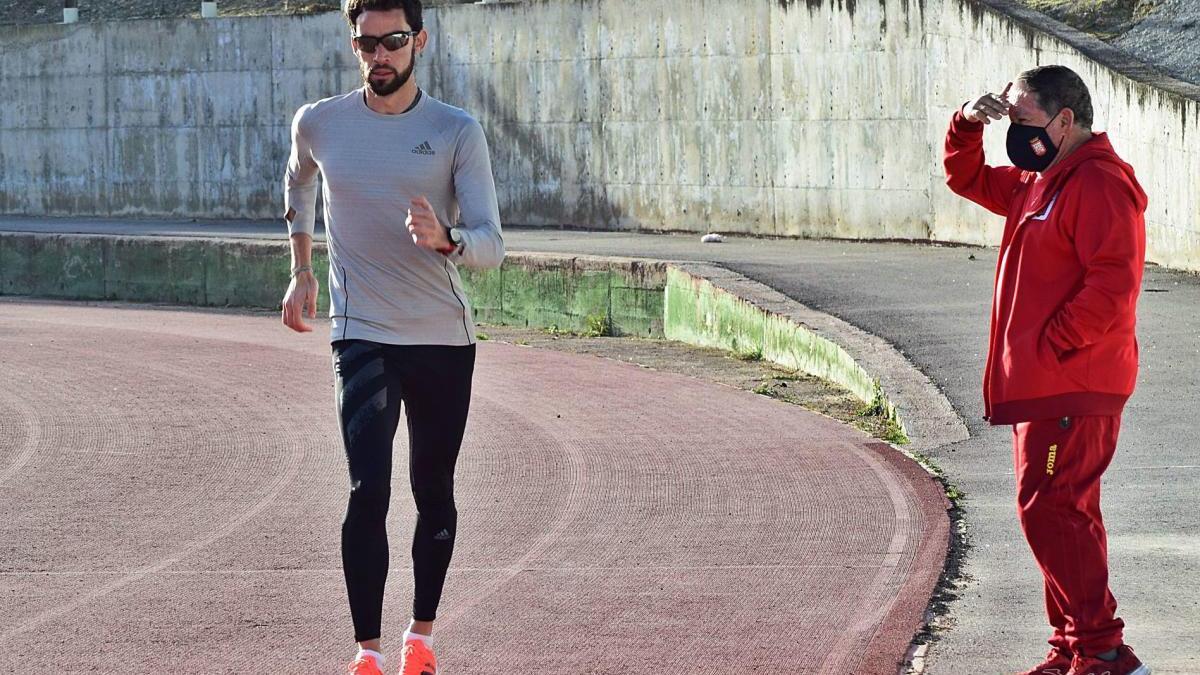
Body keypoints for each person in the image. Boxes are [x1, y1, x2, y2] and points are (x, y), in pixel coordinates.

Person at [280, 0, 504, 672]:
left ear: (419, 42)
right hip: (362, 334)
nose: (380, 55)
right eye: (366, 42)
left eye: (393, 41)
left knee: (432, 484)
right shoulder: (320, 123)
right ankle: (367, 652)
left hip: (441, 337)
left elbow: (492, 244)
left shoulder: (456, 131)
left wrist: (448, 239)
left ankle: (421, 640)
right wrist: (301, 269)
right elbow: (296, 183)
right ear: (353, 44)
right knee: (365, 488)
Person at [944, 65, 1150, 675]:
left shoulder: (1098, 183)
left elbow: (1115, 280)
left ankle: (1104, 652)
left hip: (1070, 384)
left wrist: (1056, 345)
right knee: (1057, 511)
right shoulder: (1041, 180)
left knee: (1053, 509)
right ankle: (1071, 649)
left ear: (1065, 120)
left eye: (1023, 120)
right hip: (1046, 386)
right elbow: (969, 177)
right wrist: (967, 122)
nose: (1015, 132)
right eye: (1009, 119)